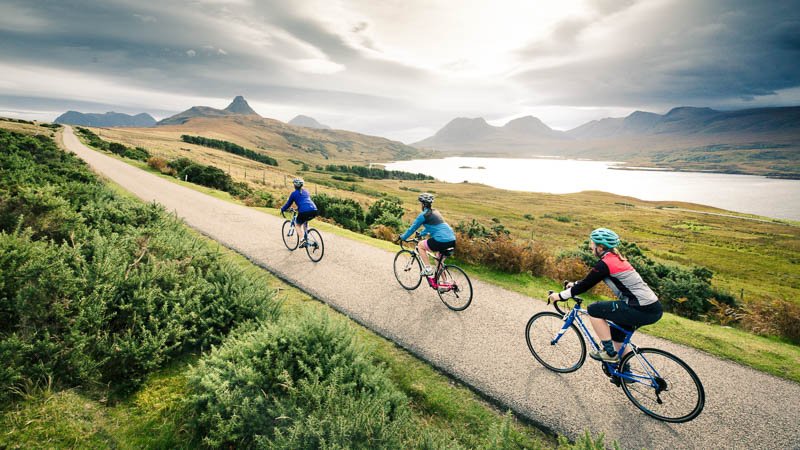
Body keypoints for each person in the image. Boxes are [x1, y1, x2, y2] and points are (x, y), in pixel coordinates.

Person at [548, 228, 662, 363]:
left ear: (600, 247)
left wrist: (560, 296)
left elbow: (586, 285)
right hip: (651, 308)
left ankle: (610, 353)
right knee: (617, 337)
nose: (590, 246)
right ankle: (625, 373)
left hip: (639, 308)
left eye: (592, 244)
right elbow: (590, 280)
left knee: (594, 309)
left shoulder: (606, 263)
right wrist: (575, 284)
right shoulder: (615, 259)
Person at [398, 193, 456, 276]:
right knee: (438, 261)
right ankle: (445, 283)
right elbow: (432, 227)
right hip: (452, 239)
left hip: (441, 240)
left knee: (420, 245)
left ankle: (428, 269)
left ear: (423, 204)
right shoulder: (435, 212)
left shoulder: (423, 215)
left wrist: (403, 237)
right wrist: (421, 234)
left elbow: (412, 229)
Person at [280, 178, 318, 248]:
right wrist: (297, 209)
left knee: (297, 225)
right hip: (314, 210)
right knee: (305, 221)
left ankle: (302, 240)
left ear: (295, 185)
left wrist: (282, 209)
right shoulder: (306, 192)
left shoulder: (293, 194)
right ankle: (306, 236)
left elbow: (288, 204)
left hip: (304, 211)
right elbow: (304, 203)